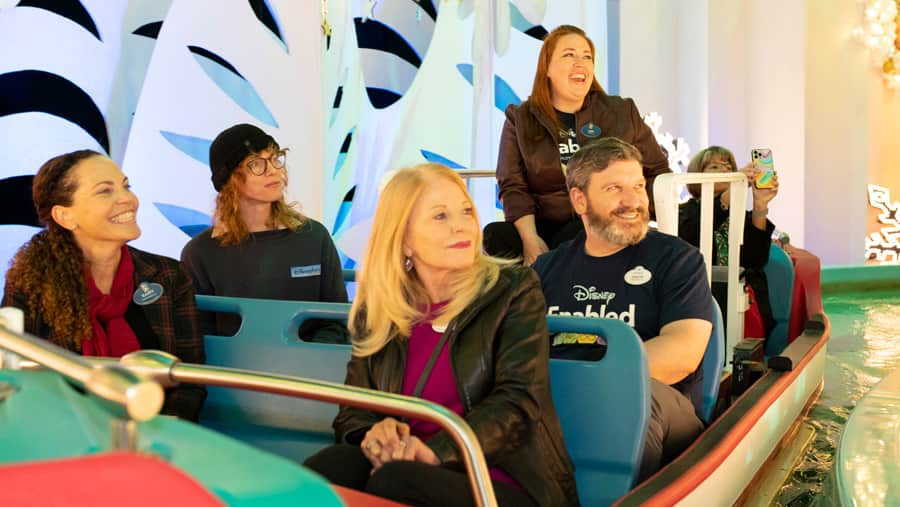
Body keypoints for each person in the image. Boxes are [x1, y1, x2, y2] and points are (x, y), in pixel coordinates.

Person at [304, 163, 578, 507]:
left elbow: (517, 403)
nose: (460, 225)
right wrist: (373, 433)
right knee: (330, 467)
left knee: (395, 481)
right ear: (404, 239)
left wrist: (435, 453)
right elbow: (353, 413)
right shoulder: (381, 307)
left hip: (503, 480)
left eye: (465, 211)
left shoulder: (513, 291)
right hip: (407, 469)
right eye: (440, 216)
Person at [531, 138, 711, 481]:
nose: (632, 202)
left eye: (638, 187)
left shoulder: (678, 260)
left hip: (657, 400)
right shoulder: (547, 268)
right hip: (564, 399)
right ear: (579, 199)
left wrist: (586, 387)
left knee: (631, 404)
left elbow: (682, 354)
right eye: (615, 188)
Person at [2, 150, 206, 421]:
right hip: (65, 436)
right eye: (104, 191)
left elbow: (191, 378)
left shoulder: (168, 276)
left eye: (126, 186)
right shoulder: (32, 283)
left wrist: (158, 427)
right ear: (65, 216)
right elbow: (18, 380)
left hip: (154, 433)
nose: (128, 199)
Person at [484, 24, 670, 265]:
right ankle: (528, 296)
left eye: (587, 57)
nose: (580, 63)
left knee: (576, 236)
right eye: (569, 55)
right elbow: (513, 185)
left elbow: (658, 173)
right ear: (547, 68)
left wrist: (632, 210)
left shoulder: (621, 111)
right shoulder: (520, 118)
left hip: (606, 219)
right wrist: (530, 240)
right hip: (547, 222)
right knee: (497, 236)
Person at [180, 124, 348, 343]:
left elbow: (337, 320)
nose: (273, 170)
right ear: (230, 180)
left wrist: (309, 359)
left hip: (309, 371)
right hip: (236, 374)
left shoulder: (314, 236)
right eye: (256, 164)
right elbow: (202, 337)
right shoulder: (200, 253)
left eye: (275, 159)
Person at [678, 146, 779, 337]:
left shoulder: (741, 215)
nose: (725, 170)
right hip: (697, 303)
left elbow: (755, 261)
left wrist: (760, 204)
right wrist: (729, 194)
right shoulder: (684, 213)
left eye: (728, 166)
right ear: (697, 176)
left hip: (742, 307)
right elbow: (693, 233)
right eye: (715, 167)